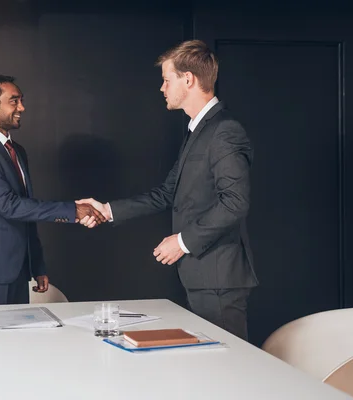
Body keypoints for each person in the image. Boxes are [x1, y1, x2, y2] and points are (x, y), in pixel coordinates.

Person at [78, 40, 258, 340]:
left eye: (166, 79)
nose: (162, 88)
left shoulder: (224, 130)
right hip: (203, 277)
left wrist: (183, 242)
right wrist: (107, 210)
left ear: (188, 79)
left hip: (218, 279)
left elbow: (235, 203)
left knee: (226, 372)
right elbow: (167, 193)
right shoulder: (197, 131)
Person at [0, 74, 104, 306]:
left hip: (18, 272)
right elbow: (9, 205)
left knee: (17, 342)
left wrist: (36, 265)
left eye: (21, 100)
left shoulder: (17, 150)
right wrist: (73, 210)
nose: (22, 107)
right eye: (14, 101)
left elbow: (27, 210)